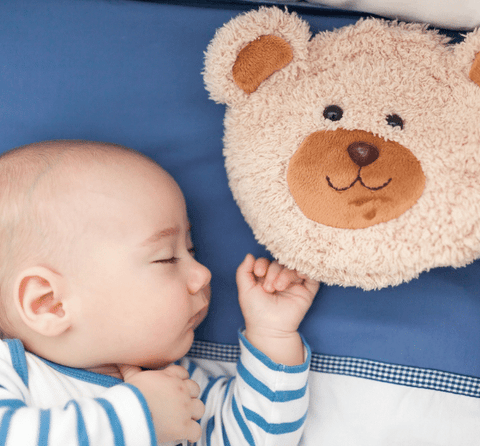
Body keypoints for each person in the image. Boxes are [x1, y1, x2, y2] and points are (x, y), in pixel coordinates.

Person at [0, 140, 319, 446]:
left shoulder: (177, 381)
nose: (203, 273)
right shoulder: (13, 373)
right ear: (49, 303)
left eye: (191, 250)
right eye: (166, 257)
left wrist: (272, 335)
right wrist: (141, 417)